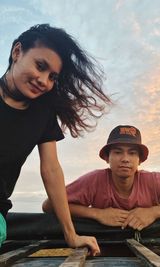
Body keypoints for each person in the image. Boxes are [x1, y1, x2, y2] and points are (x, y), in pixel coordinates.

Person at [0, 23, 111, 254]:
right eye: (40, 66)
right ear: (17, 52)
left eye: (52, 77)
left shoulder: (43, 114)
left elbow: (51, 169)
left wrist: (71, 235)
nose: (44, 80)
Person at [43, 125, 160, 231]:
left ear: (140, 160)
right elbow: (49, 205)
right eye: (118, 152)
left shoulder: (153, 181)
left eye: (132, 153)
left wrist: (155, 211)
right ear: (107, 158)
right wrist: (98, 214)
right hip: (102, 251)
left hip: (150, 247)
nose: (125, 159)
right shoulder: (94, 180)